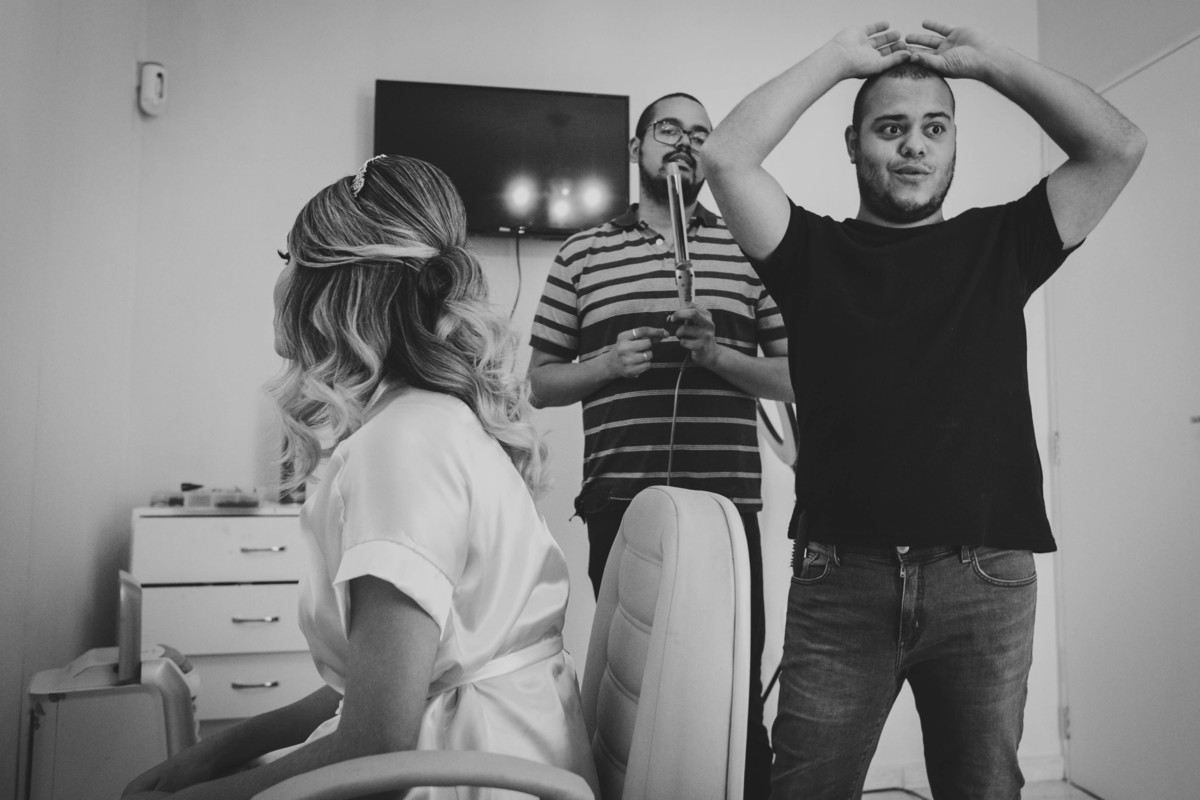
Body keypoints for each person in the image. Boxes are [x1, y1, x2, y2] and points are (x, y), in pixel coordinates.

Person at [702, 19, 1146, 799]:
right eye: (891, 128)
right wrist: (837, 60)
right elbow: (726, 156)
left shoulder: (1004, 242)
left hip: (985, 578)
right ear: (853, 145)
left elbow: (1118, 146)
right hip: (842, 580)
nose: (914, 145)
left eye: (935, 128)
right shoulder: (809, 254)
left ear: (953, 144)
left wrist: (992, 62)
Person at [123, 155, 599, 800]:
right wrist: (222, 749)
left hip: (462, 774)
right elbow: (385, 681)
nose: (280, 281)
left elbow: (378, 737)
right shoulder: (428, 421)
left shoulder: (401, 446)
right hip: (502, 751)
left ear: (335, 287)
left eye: (288, 258)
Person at [527, 92, 791, 799]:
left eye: (700, 133)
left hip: (727, 506)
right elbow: (541, 384)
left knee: (732, 692)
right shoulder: (581, 253)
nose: (684, 141)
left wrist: (718, 356)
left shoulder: (750, 248)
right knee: (634, 695)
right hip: (620, 500)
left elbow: (799, 378)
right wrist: (607, 365)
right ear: (636, 147)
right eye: (668, 128)